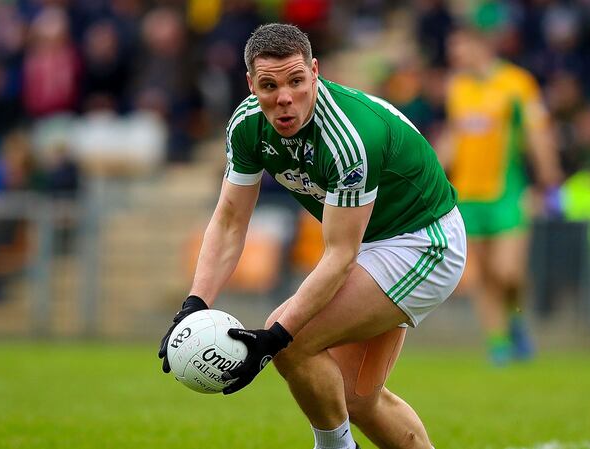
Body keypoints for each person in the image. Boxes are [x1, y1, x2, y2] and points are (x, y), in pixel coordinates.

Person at [158, 24, 466, 449]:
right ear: (251, 85)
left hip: (423, 242)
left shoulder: (348, 138)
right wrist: (195, 304)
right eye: (270, 86)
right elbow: (229, 221)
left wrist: (274, 338)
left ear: (315, 72)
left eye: (296, 81)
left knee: (292, 339)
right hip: (371, 242)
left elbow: (340, 256)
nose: (284, 97)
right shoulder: (247, 125)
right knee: (357, 400)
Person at [442, 13, 562, 365]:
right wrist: (430, 169)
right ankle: (498, 344)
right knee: (482, 274)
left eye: (458, 47)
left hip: (507, 193)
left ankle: (517, 319)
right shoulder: (457, 87)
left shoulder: (517, 83)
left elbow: (537, 132)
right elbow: (455, 135)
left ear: (480, 45)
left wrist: (550, 178)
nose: (453, 54)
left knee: (508, 272)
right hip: (467, 195)